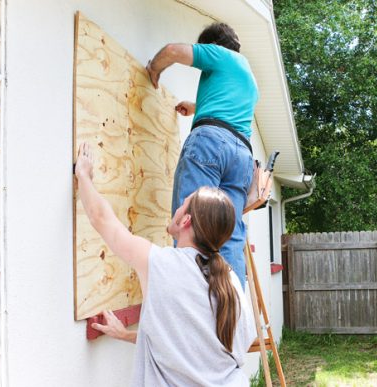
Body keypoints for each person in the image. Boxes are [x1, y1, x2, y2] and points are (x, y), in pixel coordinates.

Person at [75, 143, 255, 386]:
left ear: (186, 220)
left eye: (183, 203)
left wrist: (83, 176)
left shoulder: (160, 264)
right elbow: (190, 347)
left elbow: (101, 219)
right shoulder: (230, 281)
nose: (177, 207)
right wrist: (126, 335)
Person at [146, 22, 259, 287]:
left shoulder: (220, 55)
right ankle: (229, 310)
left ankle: (188, 299)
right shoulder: (249, 78)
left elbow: (173, 51)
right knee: (227, 230)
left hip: (211, 145)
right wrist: (197, 107)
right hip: (241, 155)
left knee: (191, 221)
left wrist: (153, 69)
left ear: (212, 45)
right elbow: (229, 111)